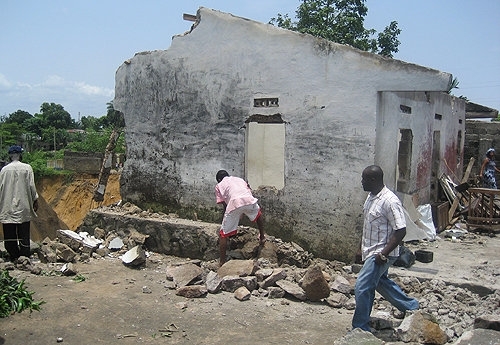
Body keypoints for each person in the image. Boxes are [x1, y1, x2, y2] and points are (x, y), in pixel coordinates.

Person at [352, 165, 419, 332]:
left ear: (373, 180)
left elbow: (401, 230)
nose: (361, 182)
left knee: (362, 286)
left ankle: (360, 327)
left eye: (364, 179)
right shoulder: (371, 197)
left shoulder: (390, 201)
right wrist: (361, 249)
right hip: (371, 251)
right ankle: (412, 307)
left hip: (382, 253)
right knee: (381, 282)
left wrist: (383, 253)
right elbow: (369, 225)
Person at [214, 170, 265, 266]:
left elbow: (225, 205)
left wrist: (230, 219)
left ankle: (222, 262)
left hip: (233, 203)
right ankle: (262, 237)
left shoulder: (219, 186)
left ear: (219, 179)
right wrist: (242, 211)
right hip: (249, 199)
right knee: (258, 214)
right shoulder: (240, 179)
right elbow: (248, 191)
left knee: (223, 234)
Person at [0, 145, 39, 262]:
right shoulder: (27, 168)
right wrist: (35, 200)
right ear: (20, 155)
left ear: (10, 156)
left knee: (9, 233)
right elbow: (32, 186)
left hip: (7, 206)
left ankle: (13, 256)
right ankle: (25, 257)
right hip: (23, 206)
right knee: (23, 233)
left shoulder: (4, 170)